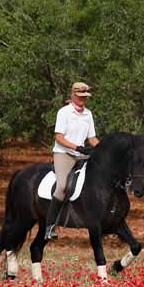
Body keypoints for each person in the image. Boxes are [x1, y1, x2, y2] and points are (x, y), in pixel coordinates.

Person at [43, 82, 100, 240]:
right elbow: (59, 137)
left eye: (85, 97)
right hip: (64, 154)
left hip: (81, 155)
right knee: (61, 187)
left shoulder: (88, 114)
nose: (83, 100)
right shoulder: (64, 112)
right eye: (80, 97)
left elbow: (92, 138)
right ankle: (50, 226)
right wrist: (77, 147)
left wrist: (103, 149)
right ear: (73, 95)